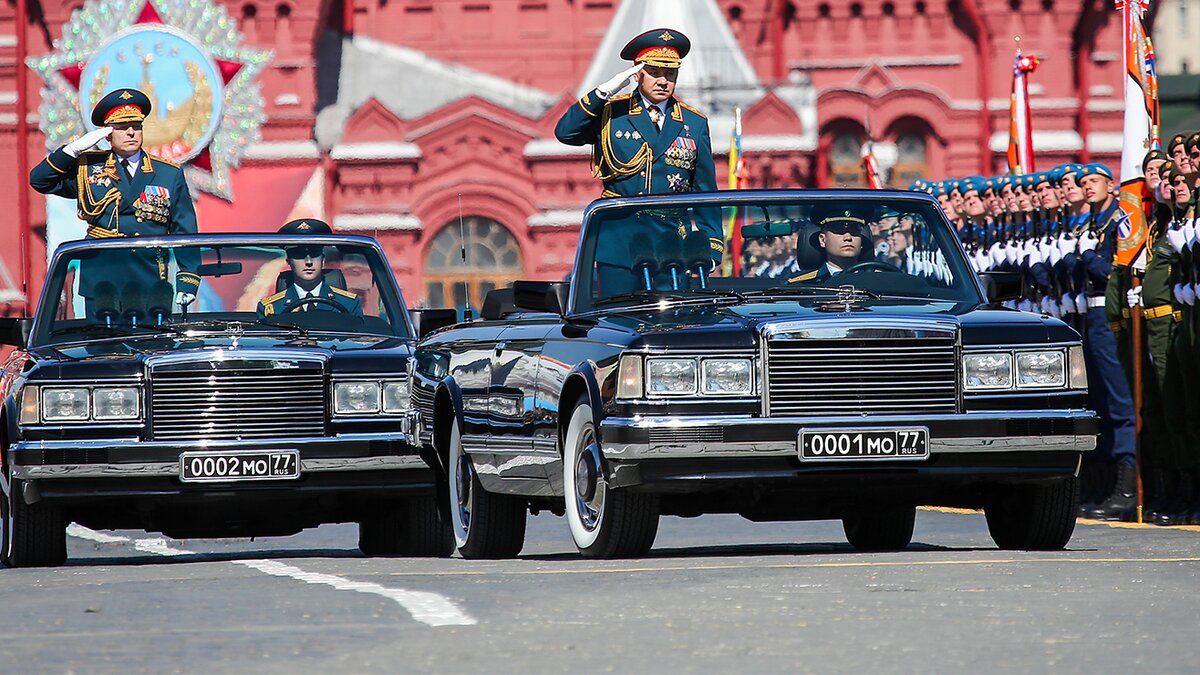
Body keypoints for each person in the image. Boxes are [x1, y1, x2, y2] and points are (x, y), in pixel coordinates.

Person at [555, 28, 722, 291]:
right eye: (654, 72)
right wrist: (602, 93)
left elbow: (705, 191)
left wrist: (711, 246)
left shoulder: (694, 123)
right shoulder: (612, 113)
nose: (663, 81)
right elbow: (566, 132)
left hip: (672, 246)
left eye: (670, 73)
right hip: (620, 242)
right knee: (618, 319)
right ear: (637, 74)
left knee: (671, 324)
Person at [29, 88, 200, 311]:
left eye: (136, 127)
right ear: (107, 134)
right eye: (121, 128)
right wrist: (71, 151)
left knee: (152, 344)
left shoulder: (167, 173)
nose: (131, 133)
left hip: (149, 277)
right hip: (102, 279)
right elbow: (40, 181)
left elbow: (184, 230)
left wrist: (188, 280)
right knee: (101, 343)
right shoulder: (89, 169)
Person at [1073, 163, 1139, 521]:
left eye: (1094, 182)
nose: (1088, 188)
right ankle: (1100, 483)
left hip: (1107, 314)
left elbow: (1111, 270)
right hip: (1088, 314)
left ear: (1111, 186)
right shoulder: (1091, 225)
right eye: (1084, 183)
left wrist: (1085, 256)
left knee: (1118, 399)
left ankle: (1126, 486)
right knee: (1096, 399)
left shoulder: (1117, 221)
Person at [258, 219, 363, 318]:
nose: (308, 262)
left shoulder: (349, 304)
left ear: (322, 259)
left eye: (314, 254)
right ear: (289, 262)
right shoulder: (271, 309)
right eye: (300, 255)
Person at [790, 207, 871, 283]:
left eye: (854, 232)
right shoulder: (803, 286)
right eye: (839, 232)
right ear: (822, 240)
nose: (848, 237)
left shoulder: (878, 280)